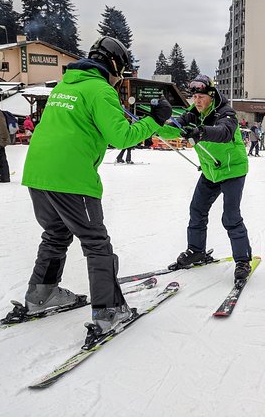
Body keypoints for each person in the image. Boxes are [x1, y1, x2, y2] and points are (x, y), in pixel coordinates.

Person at [21, 36, 173, 336]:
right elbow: (122, 138)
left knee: (56, 234)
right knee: (96, 243)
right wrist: (155, 119)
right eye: (120, 71)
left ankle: (41, 294)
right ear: (113, 64)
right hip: (72, 178)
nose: (119, 79)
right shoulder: (100, 89)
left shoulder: (64, 87)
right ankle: (108, 310)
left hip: (38, 174)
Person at [156, 74, 253, 284]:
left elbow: (224, 132)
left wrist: (201, 132)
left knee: (231, 217)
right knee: (197, 210)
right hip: (210, 171)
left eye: (201, 97)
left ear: (211, 96)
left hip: (232, 171)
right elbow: (173, 127)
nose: (197, 101)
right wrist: (155, 120)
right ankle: (196, 250)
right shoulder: (192, 113)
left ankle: (243, 260)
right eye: (195, 97)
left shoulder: (225, 113)